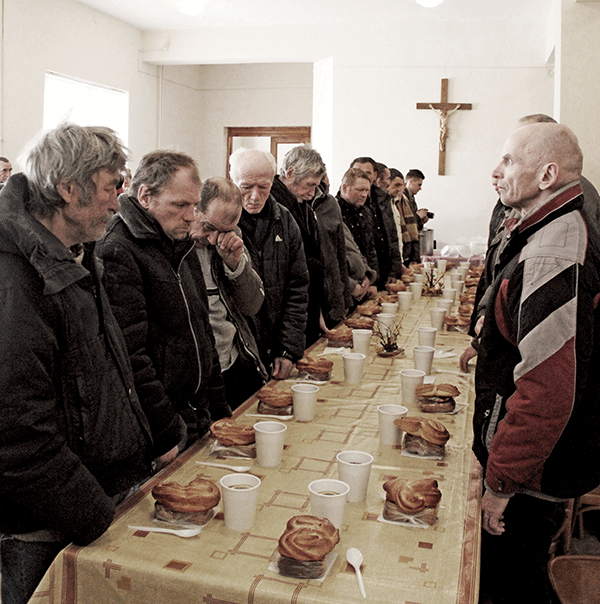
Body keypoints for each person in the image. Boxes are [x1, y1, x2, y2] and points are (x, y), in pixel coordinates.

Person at [0, 124, 154, 604]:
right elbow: (16, 433)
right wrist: (92, 512)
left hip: (89, 497)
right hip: (45, 523)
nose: (117, 202)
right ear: (69, 190)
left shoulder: (75, 254)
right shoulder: (16, 279)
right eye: (111, 187)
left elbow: (107, 371)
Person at [473, 122, 600, 604]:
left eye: (508, 161)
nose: (495, 171)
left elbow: (547, 389)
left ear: (547, 175)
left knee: (511, 582)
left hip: (536, 471)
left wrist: (502, 481)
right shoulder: (548, 225)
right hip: (539, 461)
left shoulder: (554, 249)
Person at [98, 151, 231, 452]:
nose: (191, 215)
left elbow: (203, 330)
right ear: (145, 195)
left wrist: (220, 406)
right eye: (180, 205)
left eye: (195, 205)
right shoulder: (118, 250)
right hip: (163, 428)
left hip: (197, 413)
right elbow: (130, 356)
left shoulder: (180, 240)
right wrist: (168, 430)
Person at [230, 148, 309, 380]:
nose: (255, 196)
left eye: (263, 187)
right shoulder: (217, 223)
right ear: (232, 180)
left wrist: (288, 349)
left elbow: (298, 289)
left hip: (275, 345)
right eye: (246, 187)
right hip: (236, 355)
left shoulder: (284, 220)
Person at [190, 177, 267, 409]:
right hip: (199, 373)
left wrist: (236, 266)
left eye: (223, 230)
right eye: (208, 227)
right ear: (193, 210)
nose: (213, 239)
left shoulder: (230, 241)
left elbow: (253, 305)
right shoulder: (179, 246)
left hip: (232, 361)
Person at [270, 145, 326, 346]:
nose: (312, 193)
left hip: (305, 306)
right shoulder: (274, 207)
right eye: (309, 185)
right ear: (291, 173)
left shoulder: (302, 204)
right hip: (286, 315)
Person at [350, 156, 404, 287]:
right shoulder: (348, 199)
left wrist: (395, 270)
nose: (361, 175)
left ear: (375, 175)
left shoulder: (383, 198)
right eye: (357, 171)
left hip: (384, 266)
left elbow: (392, 235)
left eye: (367, 173)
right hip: (361, 273)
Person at [312, 173, 352, 328]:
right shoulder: (296, 203)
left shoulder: (330, 203)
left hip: (333, 293)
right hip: (313, 300)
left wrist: (344, 299)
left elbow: (340, 254)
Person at [337, 167, 380, 283]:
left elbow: (371, 250)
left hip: (365, 277)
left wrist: (372, 280)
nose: (364, 195)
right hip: (345, 282)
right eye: (360, 190)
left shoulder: (366, 212)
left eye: (367, 190)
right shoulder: (334, 212)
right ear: (345, 188)